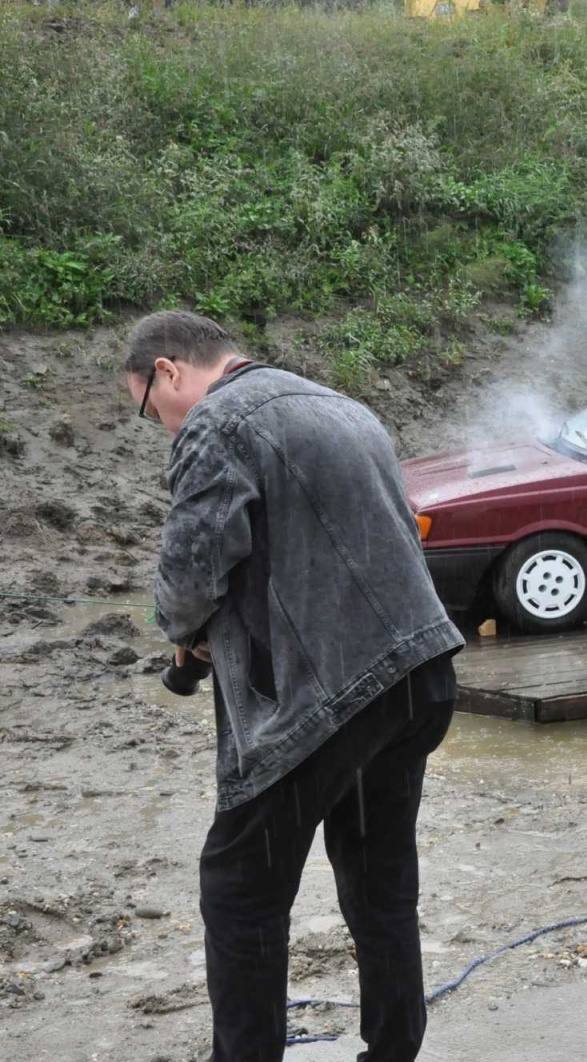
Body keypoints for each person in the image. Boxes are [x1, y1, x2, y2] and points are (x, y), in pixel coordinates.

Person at [123, 310, 463, 1062]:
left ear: (168, 372)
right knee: (379, 879)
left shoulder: (217, 422)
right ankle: (393, 1050)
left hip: (327, 695)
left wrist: (184, 632)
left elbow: (190, 575)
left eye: (149, 409)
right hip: (420, 676)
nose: (161, 426)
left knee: (238, 889)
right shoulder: (342, 407)